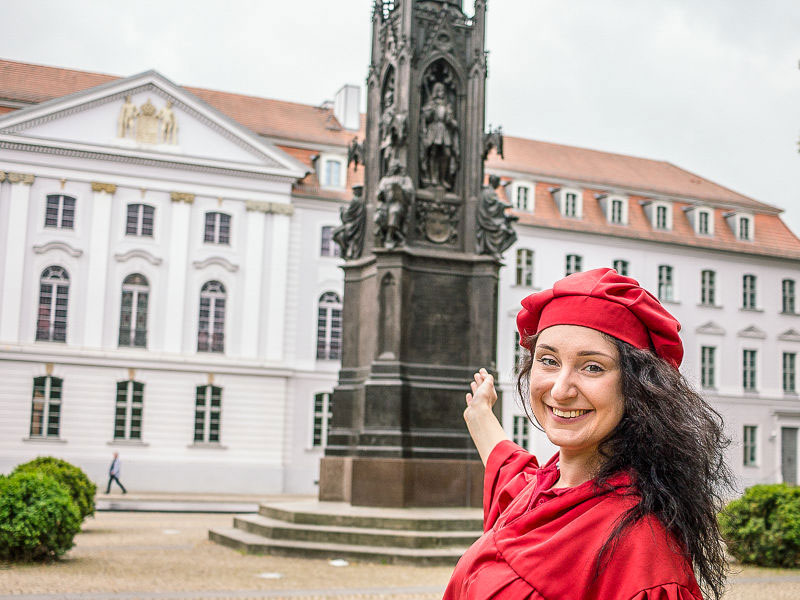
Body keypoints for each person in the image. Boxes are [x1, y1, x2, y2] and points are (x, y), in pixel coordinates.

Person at [445, 268, 732, 600]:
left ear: (637, 387)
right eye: (548, 361)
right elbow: (510, 474)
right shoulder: (539, 490)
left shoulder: (641, 550)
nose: (561, 389)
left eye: (592, 366)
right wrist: (480, 416)